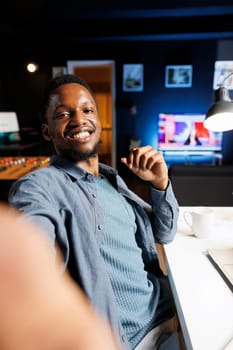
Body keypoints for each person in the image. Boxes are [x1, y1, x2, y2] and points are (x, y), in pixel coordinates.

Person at [8, 74, 180, 350]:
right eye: (63, 114)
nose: (79, 120)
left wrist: (160, 184)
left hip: (170, 314)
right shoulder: (39, 187)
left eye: (87, 110)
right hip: (129, 341)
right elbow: (32, 263)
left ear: (98, 121)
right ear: (46, 131)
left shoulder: (112, 181)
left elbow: (165, 233)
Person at [0, 203, 121, 350]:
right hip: (132, 335)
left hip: (155, 310)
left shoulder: (117, 187)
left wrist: (158, 186)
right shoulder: (40, 188)